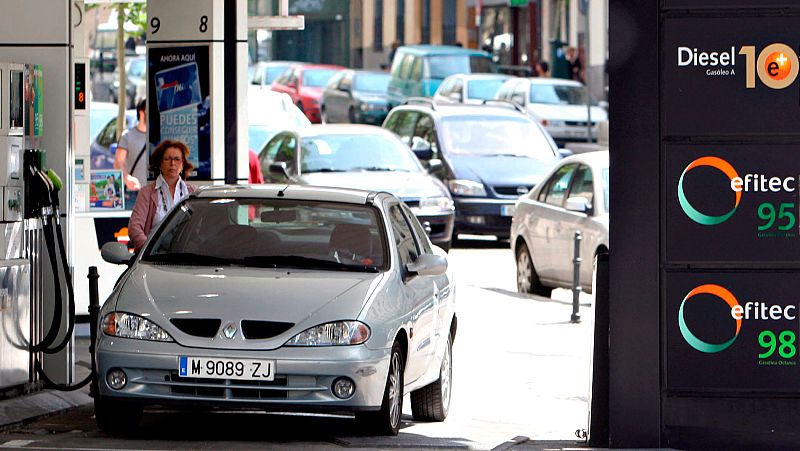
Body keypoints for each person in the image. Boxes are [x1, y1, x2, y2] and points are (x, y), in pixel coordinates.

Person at [128, 140, 196, 249]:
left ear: (182, 164)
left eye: (177, 159)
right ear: (160, 163)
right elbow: (134, 228)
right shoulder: (146, 193)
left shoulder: (193, 192)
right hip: (154, 257)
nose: (172, 163)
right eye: (167, 159)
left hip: (186, 256)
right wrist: (148, 250)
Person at [114, 98, 148, 209]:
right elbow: (118, 163)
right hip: (133, 195)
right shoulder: (127, 136)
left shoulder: (157, 137)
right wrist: (127, 178)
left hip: (153, 194)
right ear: (141, 112)